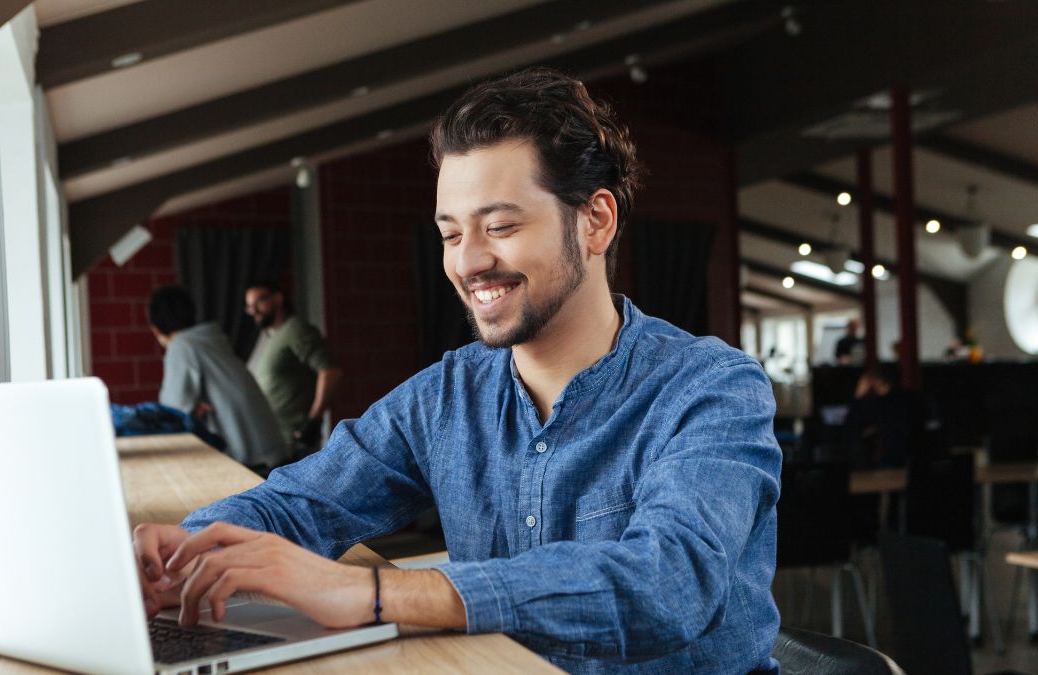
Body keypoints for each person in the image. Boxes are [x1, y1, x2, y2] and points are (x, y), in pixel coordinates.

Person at [134, 69, 781, 673]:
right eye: (449, 234)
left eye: (499, 226)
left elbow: (666, 583)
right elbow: (304, 501)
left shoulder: (712, 388)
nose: (469, 262)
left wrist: (377, 593)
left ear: (595, 221)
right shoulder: (448, 395)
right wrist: (185, 552)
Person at [149, 286, 288, 473]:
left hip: (252, 464)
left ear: (156, 329)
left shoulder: (182, 346)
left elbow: (171, 416)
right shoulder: (210, 339)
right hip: (272, 451)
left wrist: (190, 412)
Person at [243, 281, 342, 460]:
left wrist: (313, 420)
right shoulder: (266, 335)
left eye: (258, 302)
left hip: (295, 441)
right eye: (249, 306)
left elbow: (330, 371)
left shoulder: (296, 330)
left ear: (278, 299)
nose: (253, 311)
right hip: (270, 438)